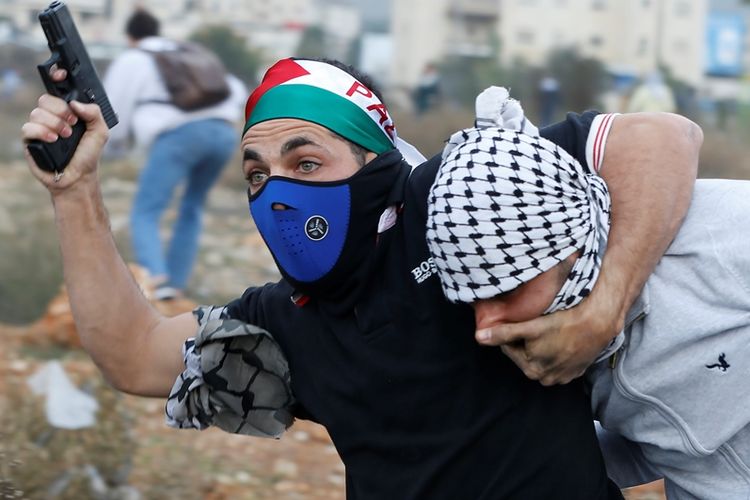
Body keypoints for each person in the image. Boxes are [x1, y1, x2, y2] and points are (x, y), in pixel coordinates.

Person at [21, 57, 702, 499]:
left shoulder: (466, 204)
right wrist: (74, 191)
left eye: (306, 162)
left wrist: (605, 301)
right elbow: (133, 355)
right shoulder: (284, 322)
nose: (277, 192)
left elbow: (664, 136)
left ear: (375, 161)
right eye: (257, 173)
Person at [425, 111, 750, 498]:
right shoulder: (555, 357)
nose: (485, 327)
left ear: (573, 253)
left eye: (505, 292)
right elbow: (665, 443)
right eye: (471, 300)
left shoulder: (722, 237)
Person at [103, 9, 247, 300]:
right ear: (157, 31)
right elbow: (235, 90)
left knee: (146, 211)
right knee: (192, 207)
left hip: (179, 136)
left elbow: (112, 109)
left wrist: (111, 147)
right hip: (223, 132)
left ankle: (158, 283)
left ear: (130, 37)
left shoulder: (134, 58)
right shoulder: (188, 51)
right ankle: (176, 284)